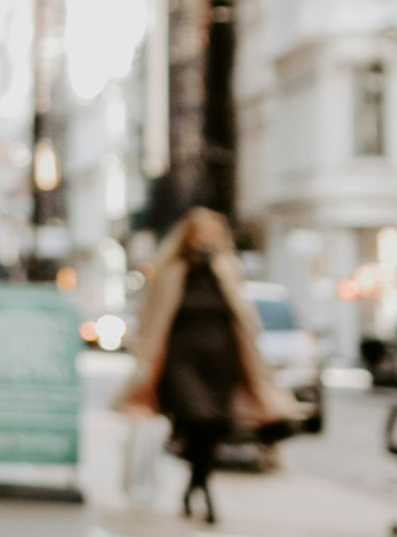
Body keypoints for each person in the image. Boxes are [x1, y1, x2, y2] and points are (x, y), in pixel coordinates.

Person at [120, 207, 290, 520]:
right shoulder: (171, 271)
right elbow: (153, 316)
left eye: (210, 236)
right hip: (182, 361)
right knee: (196, 418)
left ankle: (196, 485)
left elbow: (243, 316)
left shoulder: (226, 269)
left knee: (214, 425)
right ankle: (203, 491)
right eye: (199, 235)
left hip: (219, 362)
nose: (204, 242)